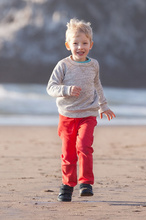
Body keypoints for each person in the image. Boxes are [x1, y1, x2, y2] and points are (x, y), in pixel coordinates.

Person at [46, 18, 116, 202]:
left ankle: (86, 183)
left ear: (91, 45)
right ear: (68, 45)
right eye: (75, 43)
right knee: (68, 153)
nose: (80, 47)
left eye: (84, 43)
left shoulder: (94, 64)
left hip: (88, 114)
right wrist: (66, 90)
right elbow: (51, 87)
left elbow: (97, 85)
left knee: (84, 146)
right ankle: (67, 185)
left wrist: (104, 105)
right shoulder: (63, 65)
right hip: (67, 116)